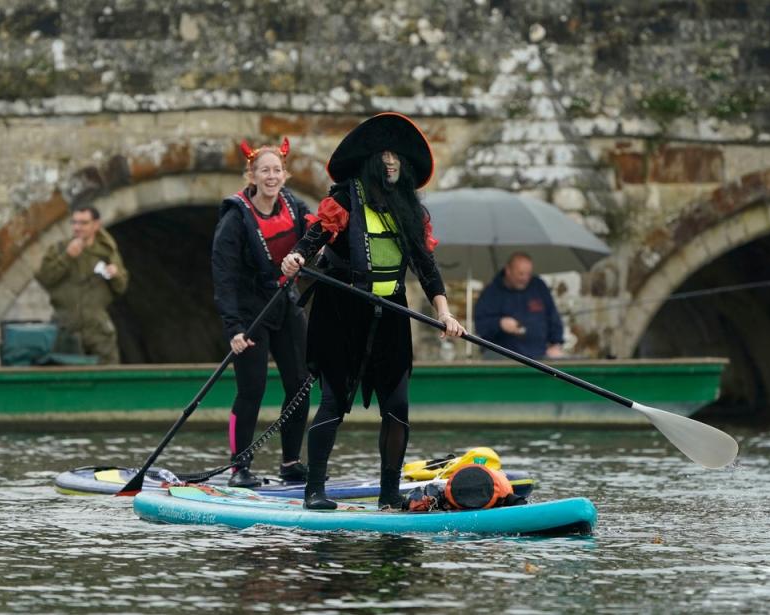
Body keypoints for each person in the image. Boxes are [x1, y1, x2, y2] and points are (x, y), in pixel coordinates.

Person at [281, 112, 465, 510]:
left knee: (397, 406)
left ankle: (388, 493)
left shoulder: (410, 209)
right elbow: (315, 238)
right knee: (333, 402)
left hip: (391, 313)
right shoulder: (345, 198)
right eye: (385, 156)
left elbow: (426, 267)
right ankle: (314, 490)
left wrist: (445, 313)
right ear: (371, 162)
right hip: (341, 309)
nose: (392, 163)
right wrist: (296, 257)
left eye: (397, 157)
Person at [211, 137, 312, 488]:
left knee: (299, 384)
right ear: (251, 175)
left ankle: (291, 463)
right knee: (251, 389)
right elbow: (224, 278)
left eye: (277, 170)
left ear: (285, 175)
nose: (271, 176)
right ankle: (240, 467)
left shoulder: (294, 206)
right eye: (264, 170)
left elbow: (317, 236)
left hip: (287, 304)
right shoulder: (235, 220)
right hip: (251, 311)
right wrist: (233, 328)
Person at [35, 205, 129, 364]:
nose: (77, 227)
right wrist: (67, 257)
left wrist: (115, 275)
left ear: (96, 225)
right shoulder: (59, 250)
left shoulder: (107, 253)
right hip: (66, 329)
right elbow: (45, 279)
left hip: (98, 330)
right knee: (66, 380)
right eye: (74, 223)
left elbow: (121, 288)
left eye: (84, 223)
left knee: (108, 377)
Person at [474, 252, 564, 359]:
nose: (525, 278)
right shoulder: (491, 293)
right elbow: (480, 326)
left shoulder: (539, 286)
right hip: (502, 359)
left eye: (528, 274)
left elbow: (553, 317)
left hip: (540, 357)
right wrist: (499, 324)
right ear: (508, 271)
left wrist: (556, 344)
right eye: (521, 273)